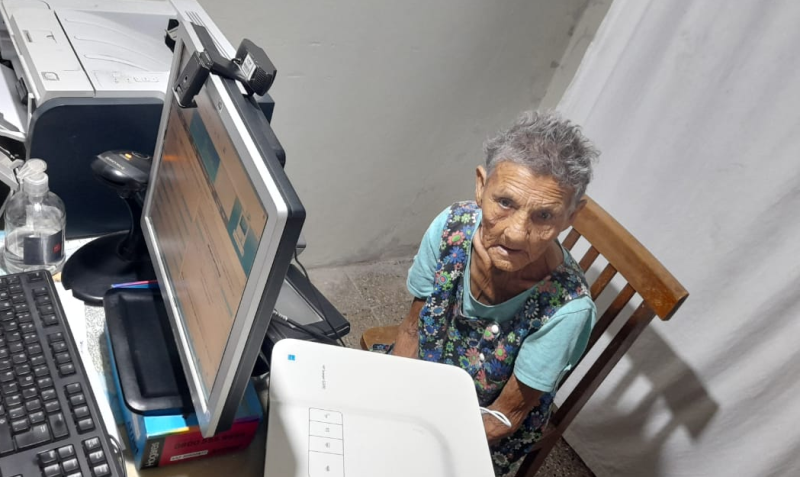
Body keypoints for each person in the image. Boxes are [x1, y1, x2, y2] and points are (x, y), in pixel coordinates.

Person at [391, 110, 599, 476]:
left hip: (480, 423)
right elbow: (412, 329)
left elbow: (505, 416)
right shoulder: (451, 228)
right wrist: (392, 407)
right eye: (505, 202)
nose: (516, 233)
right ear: (481, 186)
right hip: (424, 379)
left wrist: (419, 441)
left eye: (544, 216)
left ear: (571, 215)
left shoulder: (567, 309)